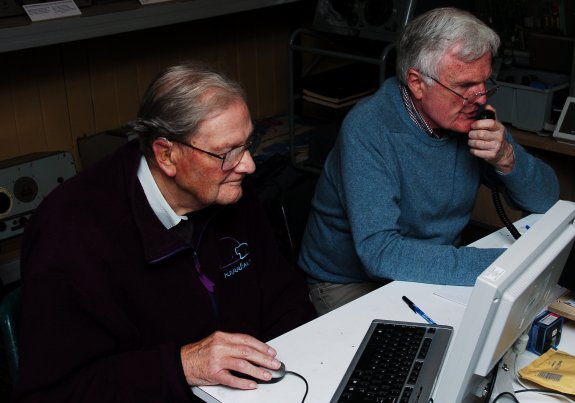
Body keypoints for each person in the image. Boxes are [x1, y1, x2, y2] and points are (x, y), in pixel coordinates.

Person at [13, 62, 316, 402]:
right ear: (167, 155)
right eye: (227, 153)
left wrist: (309, 372)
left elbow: (284, 299)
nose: (248, 165)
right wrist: (182, 364)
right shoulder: (71, 233)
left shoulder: (229, 192)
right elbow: (54, 393)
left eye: (248, 143)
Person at [298, 7, 560, 315]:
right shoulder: (369, 129)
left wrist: (507, 158)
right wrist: (502, 266)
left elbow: (546, 200)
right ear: (417, 83)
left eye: (484, 83)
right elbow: (380, 253)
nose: (480, 99)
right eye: (464, 86)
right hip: (348, 281)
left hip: (431, 264)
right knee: (424, 357)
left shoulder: (470, 114)